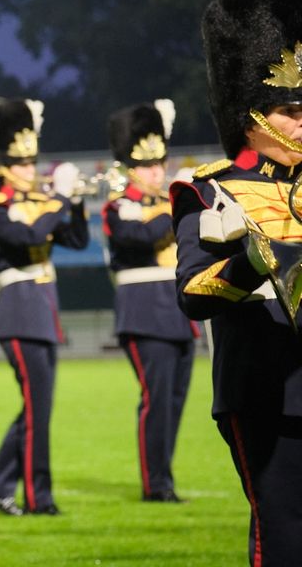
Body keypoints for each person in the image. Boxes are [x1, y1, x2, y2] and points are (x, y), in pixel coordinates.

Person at [171, 0, 302, 565]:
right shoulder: (211, 191)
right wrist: (253, 261)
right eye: (289, 111)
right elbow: (194, 292)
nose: (301, 121)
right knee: (285, 538)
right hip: (264, 387)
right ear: (251, 116)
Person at [0, 98, 88, 517]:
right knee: (37, 410)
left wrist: (75, 204)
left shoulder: (42, 202)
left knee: (36, 409)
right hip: (19, 312)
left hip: (43, 311)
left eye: (31, 162)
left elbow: (76, 240)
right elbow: (29, 238)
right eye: (22, 163)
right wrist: (59, 200)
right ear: (4, 167)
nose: (30, 169)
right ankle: (38, 497)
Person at [103, 100, 197, 503]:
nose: (156, 171)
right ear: (130, 169)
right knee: (156, 399)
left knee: (175, 401)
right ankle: (155, 484)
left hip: (179, 309)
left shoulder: (168, 205)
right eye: (146, 166)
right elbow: (138, 238)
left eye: (159, 163)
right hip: (143, 310)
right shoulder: (119, 206)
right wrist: (178, 203)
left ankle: (165, 478)